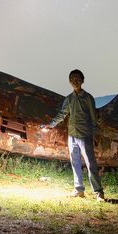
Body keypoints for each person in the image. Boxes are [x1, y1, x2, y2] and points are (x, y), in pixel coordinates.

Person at [45, 69, 105, 201]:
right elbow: (62, 114)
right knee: (75, 162)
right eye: (72, 79)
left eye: (77, 78)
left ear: (83, 80)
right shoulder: (69, 99)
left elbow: (93, 117)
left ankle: (98, 192)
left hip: (85, 134)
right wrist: (51, 124)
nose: (74, 81)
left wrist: (94, 134)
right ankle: (78, 190)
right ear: (69, 81)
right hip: (72, 135)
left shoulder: (88, 98)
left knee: (90, 163)